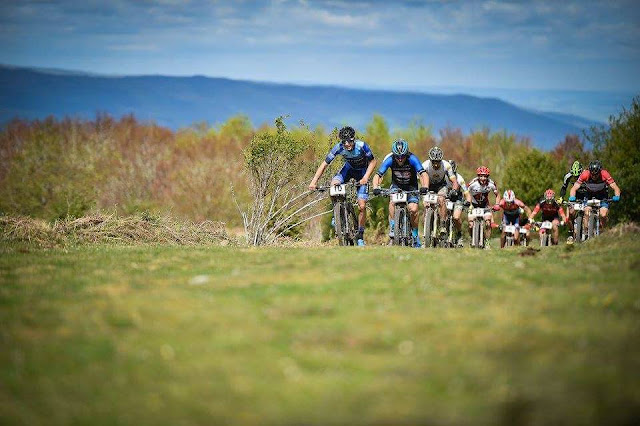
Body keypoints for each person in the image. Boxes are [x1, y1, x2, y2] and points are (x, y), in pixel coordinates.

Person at [309, 126, 377, 246]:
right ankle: (337, 211)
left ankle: (360, 235)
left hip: (362, 172)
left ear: (353, 139)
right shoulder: (338, 147)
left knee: (362, 206)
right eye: (344, 142)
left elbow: (373, 161)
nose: (347, 144)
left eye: (349, 141)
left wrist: (366, 177)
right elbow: (324, 164)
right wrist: (314, 181)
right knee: (334, 185)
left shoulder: (362, 145)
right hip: (348, 170)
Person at [372, 139, 429, 247]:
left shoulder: (412, 158)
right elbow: (378, 175)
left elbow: (423, 174)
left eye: (402, 156)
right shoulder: (390, 159)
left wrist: (425, 186)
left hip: (411, 186)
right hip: (396, 185)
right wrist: (376, 187)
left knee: (413, 209)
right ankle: (393, 226)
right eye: (397, 156)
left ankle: (415, 236)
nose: (400, 159)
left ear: (406, 154)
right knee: (392, 201)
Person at [568, 160, 621, 231]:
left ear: (600, 172)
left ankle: (603, 230)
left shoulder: (605, 174)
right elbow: (574, 188)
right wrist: (572, 197)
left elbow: (615, 187)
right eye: (592, 174)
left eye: (596, 174)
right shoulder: (585, 174)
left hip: (602, 195)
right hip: (589, 195)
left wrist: (617, 196)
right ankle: (586, 231)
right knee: (586, 212)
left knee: (603, 215)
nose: (594, 176)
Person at [421, 147, 459, 234]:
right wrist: (423, 192)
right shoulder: (425, 165)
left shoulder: (446, 165)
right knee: (426, 206)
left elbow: (454, 181)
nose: (435, 165)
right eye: (433, 162)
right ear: (430, 160)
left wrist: (454, 190)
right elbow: (421, 179)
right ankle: (426, 231)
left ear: (441, 160)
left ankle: (442, 224)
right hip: (428, 185)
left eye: (437, 162)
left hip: (441, 186)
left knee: (441, 199)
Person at [467, 166, 500, 247]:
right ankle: (472, 238)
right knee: (470, 224)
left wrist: (497, 204)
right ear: (478, 176)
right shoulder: (472, 183)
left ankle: (487, 241)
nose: (483, 178)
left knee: (488, 223)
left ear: (487, 177)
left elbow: (497, 194)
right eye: (481, 176)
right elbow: (466, 192)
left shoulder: (491, 184)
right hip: (473, 205)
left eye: (485, 176)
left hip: (485, 205)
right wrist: (468, 203)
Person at [559, 161, 588, 243]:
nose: (576, 178)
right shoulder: (568, 176)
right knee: (571, 213)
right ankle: (571, 234)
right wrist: (561, 197)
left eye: (578, 176)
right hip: (576, 196)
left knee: (589, 210)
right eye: (574, 176)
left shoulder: (586, 174)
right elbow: (564, 188)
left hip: (587, 195)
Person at [447, 160, 472, 246]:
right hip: (446, 198)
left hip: (457, 199)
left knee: (456, 217)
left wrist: (468, 201)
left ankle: (459, 235)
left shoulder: (459, 178)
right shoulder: (443, 175)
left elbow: (467, 193)